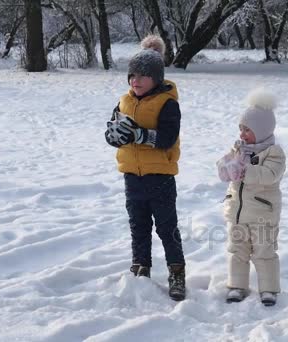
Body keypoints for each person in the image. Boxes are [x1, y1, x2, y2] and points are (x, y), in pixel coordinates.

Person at [104, 38, 186, 301]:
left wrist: (138, 135)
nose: (135, 82)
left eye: (143, 76)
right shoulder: (124, 101)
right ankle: (141, 267)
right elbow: (114, 129)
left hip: (160, 177)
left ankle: (176, 271)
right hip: (132, 176)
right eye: (132, 76)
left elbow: (167, 139)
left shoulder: (167, 103)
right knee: (138, 225)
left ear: (157, 79)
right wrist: (114, 135)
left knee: (166, 227)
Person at [217, 89, 286, 307]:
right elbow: (224, 164)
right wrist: (226, 167)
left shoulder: (274, 153)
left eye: (247, 130)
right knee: (237, 249)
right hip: (237, 211)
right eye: (241, 129)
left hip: (263, 213)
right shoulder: (238, 148)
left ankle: (268, 289)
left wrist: (245, 169)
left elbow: (270, 175)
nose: (242, 134)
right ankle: (237, 285)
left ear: (262, 130)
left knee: (264, 250)